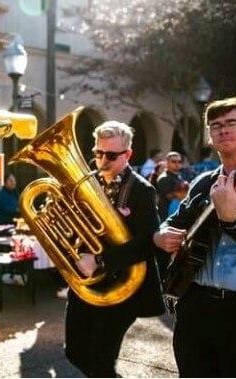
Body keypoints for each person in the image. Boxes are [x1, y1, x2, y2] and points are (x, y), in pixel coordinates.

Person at [64, 121, 165, 378]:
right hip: (88, 284)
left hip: (124, 286)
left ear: (127, 154)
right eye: (98, 154)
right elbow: (74, 230)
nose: (102, 161)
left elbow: (150, 242)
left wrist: (99, 259)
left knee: (100, 361)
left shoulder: (142, 190)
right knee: (74, 352)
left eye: (110, 155)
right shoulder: (86, 184)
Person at [153, 97, 236, 377]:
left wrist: (233, 220)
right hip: (195, 305)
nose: (223, 130)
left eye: (232, 123)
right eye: (215, 125)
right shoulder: (204, 182)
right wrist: (161, 236)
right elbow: (172, 222)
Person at [155, 151, 185, 221]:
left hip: (177, 215)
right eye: (174, 161)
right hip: (166, 216)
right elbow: (171, 197)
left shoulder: (178, 177)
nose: (177, 164)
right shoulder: (164, 178)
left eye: (179, 161)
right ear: (167, 162)